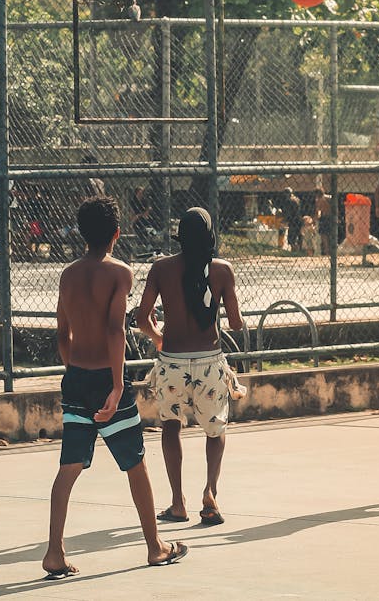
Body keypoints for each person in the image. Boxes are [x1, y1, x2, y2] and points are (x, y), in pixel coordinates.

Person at [42, 195, 188, 579]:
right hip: (108, 379)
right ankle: (155, 547)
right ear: (117, 235)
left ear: (81, 234)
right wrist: (117, 384)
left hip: (75, 377)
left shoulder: (67, 275)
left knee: (68, 467)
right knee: (135, 464)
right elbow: (114, 329)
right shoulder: (120, 273)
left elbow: (62, 332)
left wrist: (74, 369)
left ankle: (54, 552)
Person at [137, 207, 245, 527]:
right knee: (215, 429)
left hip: (171, 363)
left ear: (180, 237)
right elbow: (237, 324)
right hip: (210, 362)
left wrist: (158, 336)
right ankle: (210, 493)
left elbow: (142, 319)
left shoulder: (161, 269)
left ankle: (176, 502)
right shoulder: (223, 270)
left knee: (171, 426)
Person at [313, 186, 332, 255]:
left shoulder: (319, 200)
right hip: (331, 217)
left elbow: (318, 211)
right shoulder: (329, 197)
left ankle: (327, 251)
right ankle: (331, 251)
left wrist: (314, 219)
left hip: (324, 218)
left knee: (324, 235)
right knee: (330, 235)